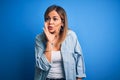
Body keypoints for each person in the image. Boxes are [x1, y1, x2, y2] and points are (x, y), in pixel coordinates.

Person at [34, 5, 86, 80]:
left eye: (55, 19)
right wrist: (49, 42)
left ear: (62, 22)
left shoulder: (71, 36)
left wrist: (79, 78)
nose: (50, 22)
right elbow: (42, 66)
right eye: (47, 19)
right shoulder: (39, 39)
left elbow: (79, 59)